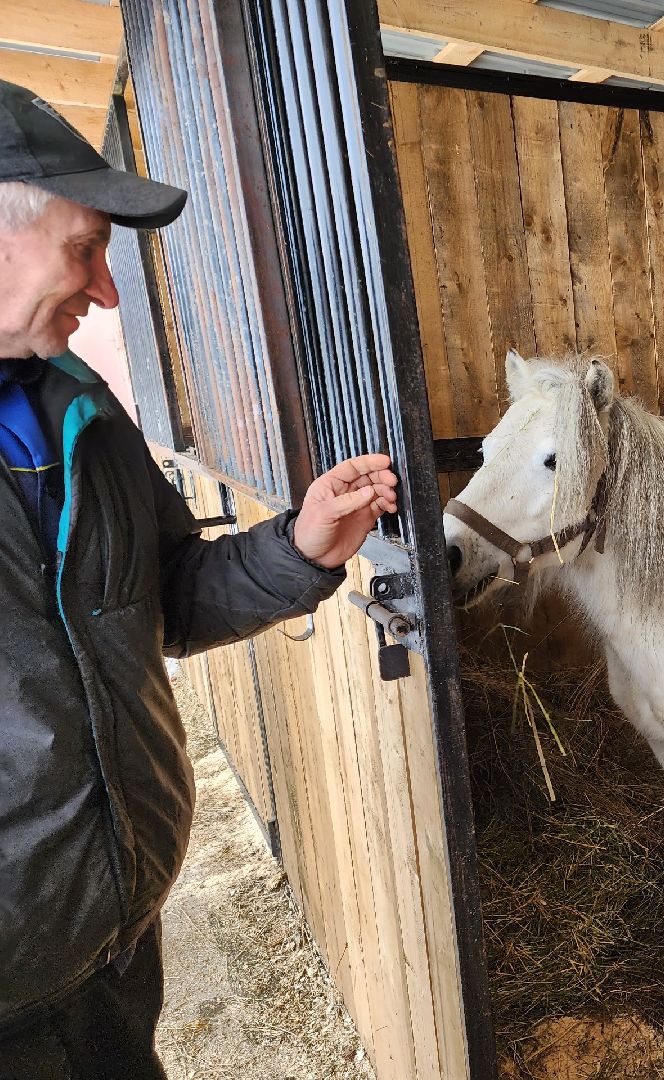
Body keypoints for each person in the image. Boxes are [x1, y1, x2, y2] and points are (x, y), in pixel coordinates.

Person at [0, 79, 400, 1079]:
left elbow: (163, 598)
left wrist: (300, 549)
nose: (107, 292)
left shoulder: (76, 410)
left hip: (113, 938)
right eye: (86, 249)